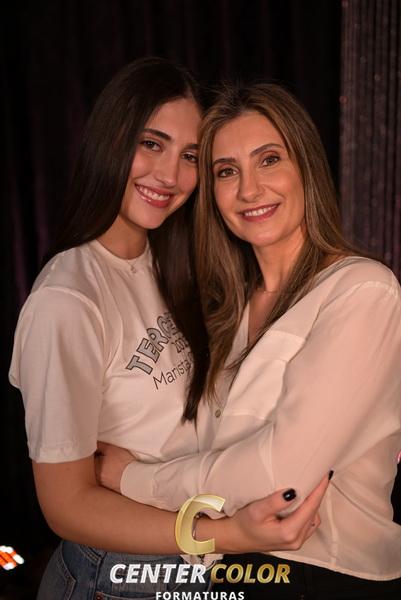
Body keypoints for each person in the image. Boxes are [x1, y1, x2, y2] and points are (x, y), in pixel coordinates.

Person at [9, 61, 329, 599]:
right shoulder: (67, 300)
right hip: (117, 575)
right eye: (151, 144)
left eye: (189, 157)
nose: (170, 176)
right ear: (111, 140)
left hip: (187, 564)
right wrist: (225, 534)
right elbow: (66, 506)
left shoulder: (167, 262)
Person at [97, 82, 401, 599]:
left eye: (269, 160)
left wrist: (132, 479)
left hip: (327, 575)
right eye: (226, 171)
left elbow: (281, 476)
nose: (249, 190)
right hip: (230, 570)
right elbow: (212, 450)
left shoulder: (362, 290)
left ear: (305, 167)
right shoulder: (230, 310)